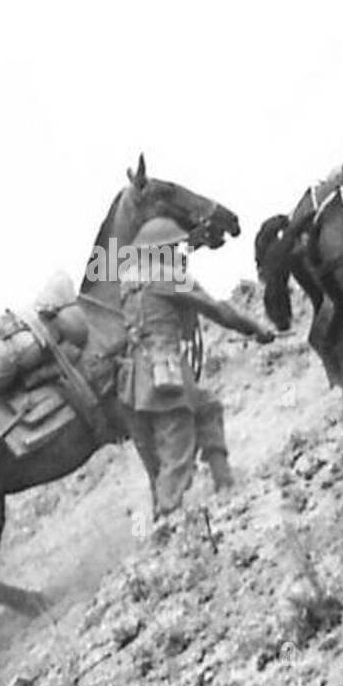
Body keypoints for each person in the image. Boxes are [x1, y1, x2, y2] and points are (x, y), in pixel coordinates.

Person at [116, 217, 275, 529]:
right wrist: (255, 329)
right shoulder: (166, 277)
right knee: (177, 446)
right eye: (175, 248)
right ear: (160, 251)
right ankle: (167, 520)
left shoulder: (130, 281)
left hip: (139, 374)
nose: (181, 253)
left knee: (207, 407)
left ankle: (225, 482)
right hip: (164, 369)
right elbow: (218, 310)